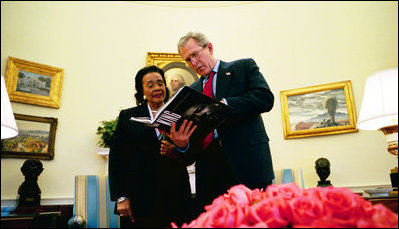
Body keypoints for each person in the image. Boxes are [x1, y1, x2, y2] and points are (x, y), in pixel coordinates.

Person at [176, 32, 275, 210]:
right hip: (210, 170)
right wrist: (182, 143)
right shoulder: (192, 91)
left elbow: (265, 98)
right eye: (188, 60)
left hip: (248, 164)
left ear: (210, 47)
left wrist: (225, 104)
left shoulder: (242, 68)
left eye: (195, 54)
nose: (194, 63)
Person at [108, 65, 197, 228]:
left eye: (160, 83)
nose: (157, 88)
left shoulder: (181, 115)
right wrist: (121, 197)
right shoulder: (128, 116)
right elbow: (116, 159)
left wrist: (179, 149)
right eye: (150, 85)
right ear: (141, 90)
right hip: (138, 199)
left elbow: (191, 156)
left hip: (176, 197)